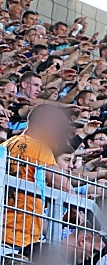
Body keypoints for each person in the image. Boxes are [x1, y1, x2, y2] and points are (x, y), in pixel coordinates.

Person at [2, 105, 71, 255]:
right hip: (21, 236)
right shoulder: (40, 148)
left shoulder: (5, 145)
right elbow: (63, 186)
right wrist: (80, 210)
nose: (60, 136)